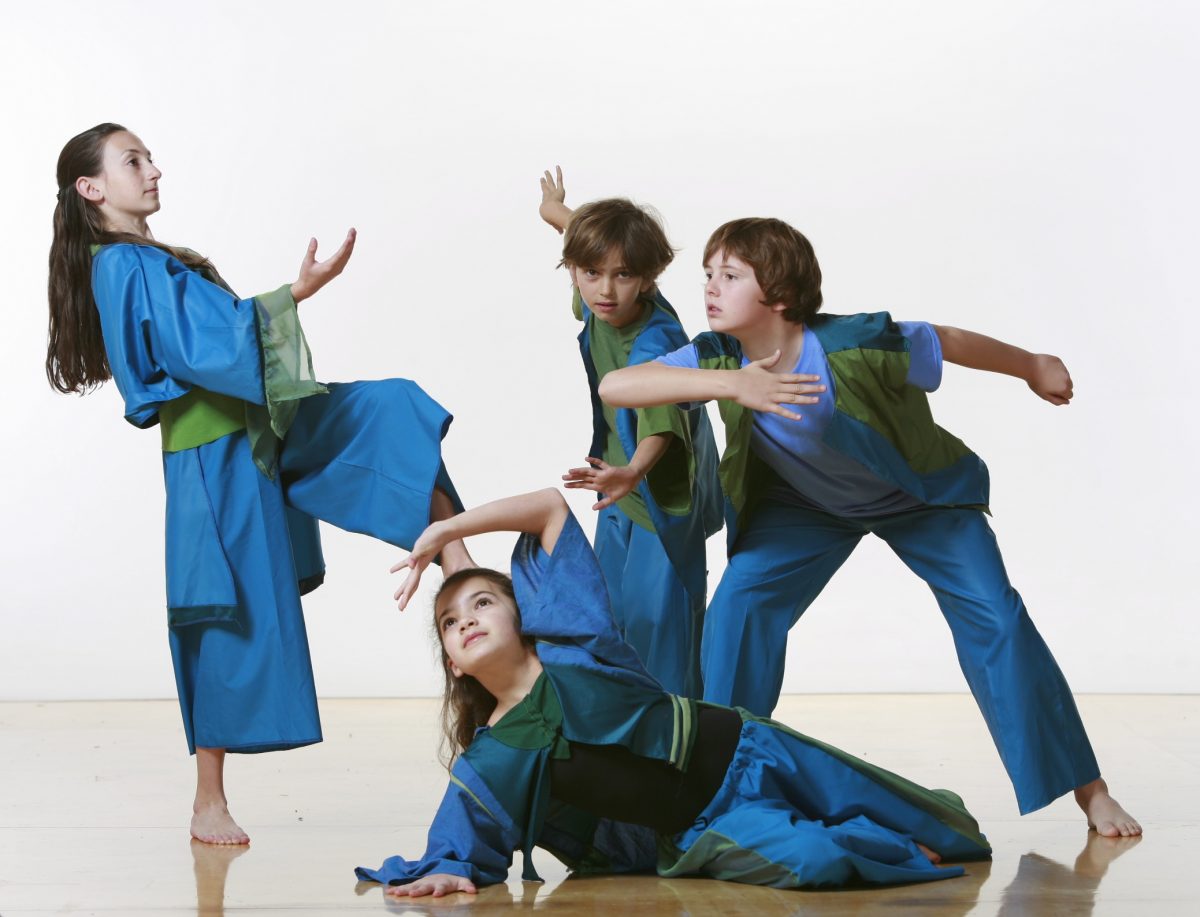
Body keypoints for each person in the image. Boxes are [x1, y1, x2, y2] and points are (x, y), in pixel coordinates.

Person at [599, 217, 1141, 837]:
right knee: (738, 608)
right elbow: (620, 386)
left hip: (917, 498)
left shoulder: (858, 342)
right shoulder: (717, 354)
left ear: (777, 293)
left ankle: (1090, 791)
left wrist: (1032, 365)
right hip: (805, 508)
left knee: (998, 617)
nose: (711, 288)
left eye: (729, 276)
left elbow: (950, 339)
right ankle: (717, 786)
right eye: (708, 275)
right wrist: (732, 384)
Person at [45, 123, 471, 845]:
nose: (153, 170)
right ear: (92, 188)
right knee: (222, 608)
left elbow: (221, 340)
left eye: (148, 157)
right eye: (133, 161)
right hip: (214, 454)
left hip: (256, 425)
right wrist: (295, 293)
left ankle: (463, 581)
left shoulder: (151, 257)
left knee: (392, 409)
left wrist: (288, 300)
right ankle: (207, 798)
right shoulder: (119, 264)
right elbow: (197, 349)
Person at [360, 488, 992, 897]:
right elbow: (461, 843)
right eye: (450, 621)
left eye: (483, 603)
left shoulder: (575, 639)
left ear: (522, 614)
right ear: (453, 663)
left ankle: (913, 816)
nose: (466, 619)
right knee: (814, 862)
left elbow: (552, 508)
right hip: (702, 827)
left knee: (960, 832)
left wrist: (448, 535)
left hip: (753, 747)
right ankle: (884, 846)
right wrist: (448, 871)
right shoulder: (494, 755)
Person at [535, 168, 721, 696]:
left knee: (660, 622)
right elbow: (583, 239)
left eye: (622, 276)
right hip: (614, 481)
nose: (605, 290)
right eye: (591, 273)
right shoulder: (596, 290)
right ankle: (623, 719)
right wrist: (553, 208)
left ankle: (676, 731)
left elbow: (662, 422)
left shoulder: (656, 338)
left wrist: (633, 472)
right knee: (612, 613)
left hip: (656, 490)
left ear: (648, 277)